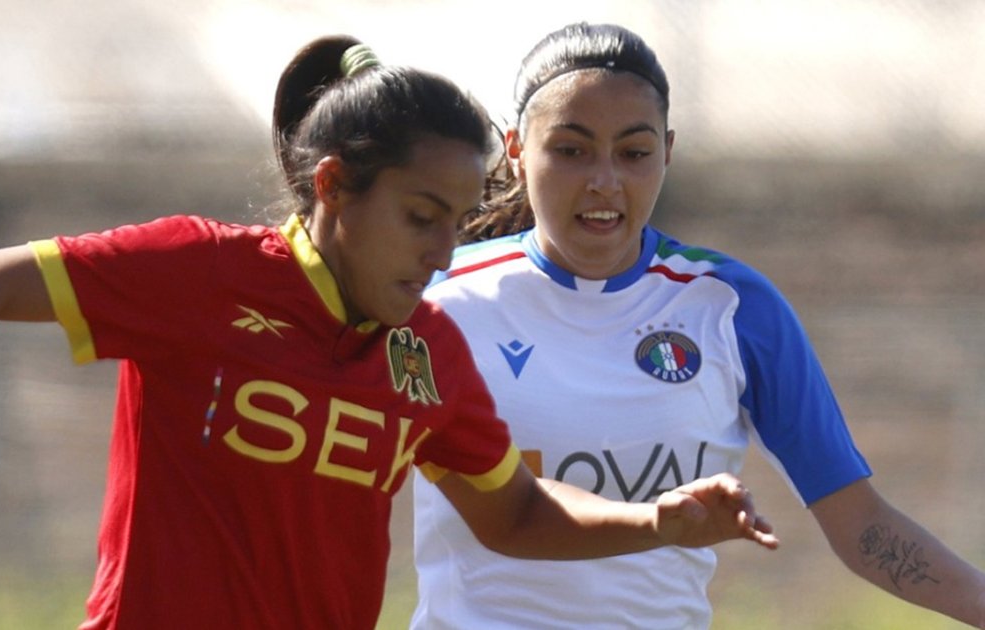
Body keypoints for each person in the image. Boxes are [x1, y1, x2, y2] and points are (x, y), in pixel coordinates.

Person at [0, 34, 778, 630]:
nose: (443, 251)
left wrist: (657, 521)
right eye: (421, 216)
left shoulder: (427, 350)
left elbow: (513, 512)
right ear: (335, 186)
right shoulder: (203, 272)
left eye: (459, 222)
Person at [411, 21, 985, 630]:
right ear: (517, 150)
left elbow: (861, 524)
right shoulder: (436, 297)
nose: (605, 181)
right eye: (571, 150)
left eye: (634, 153)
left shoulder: (730, 306)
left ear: (668, 151)